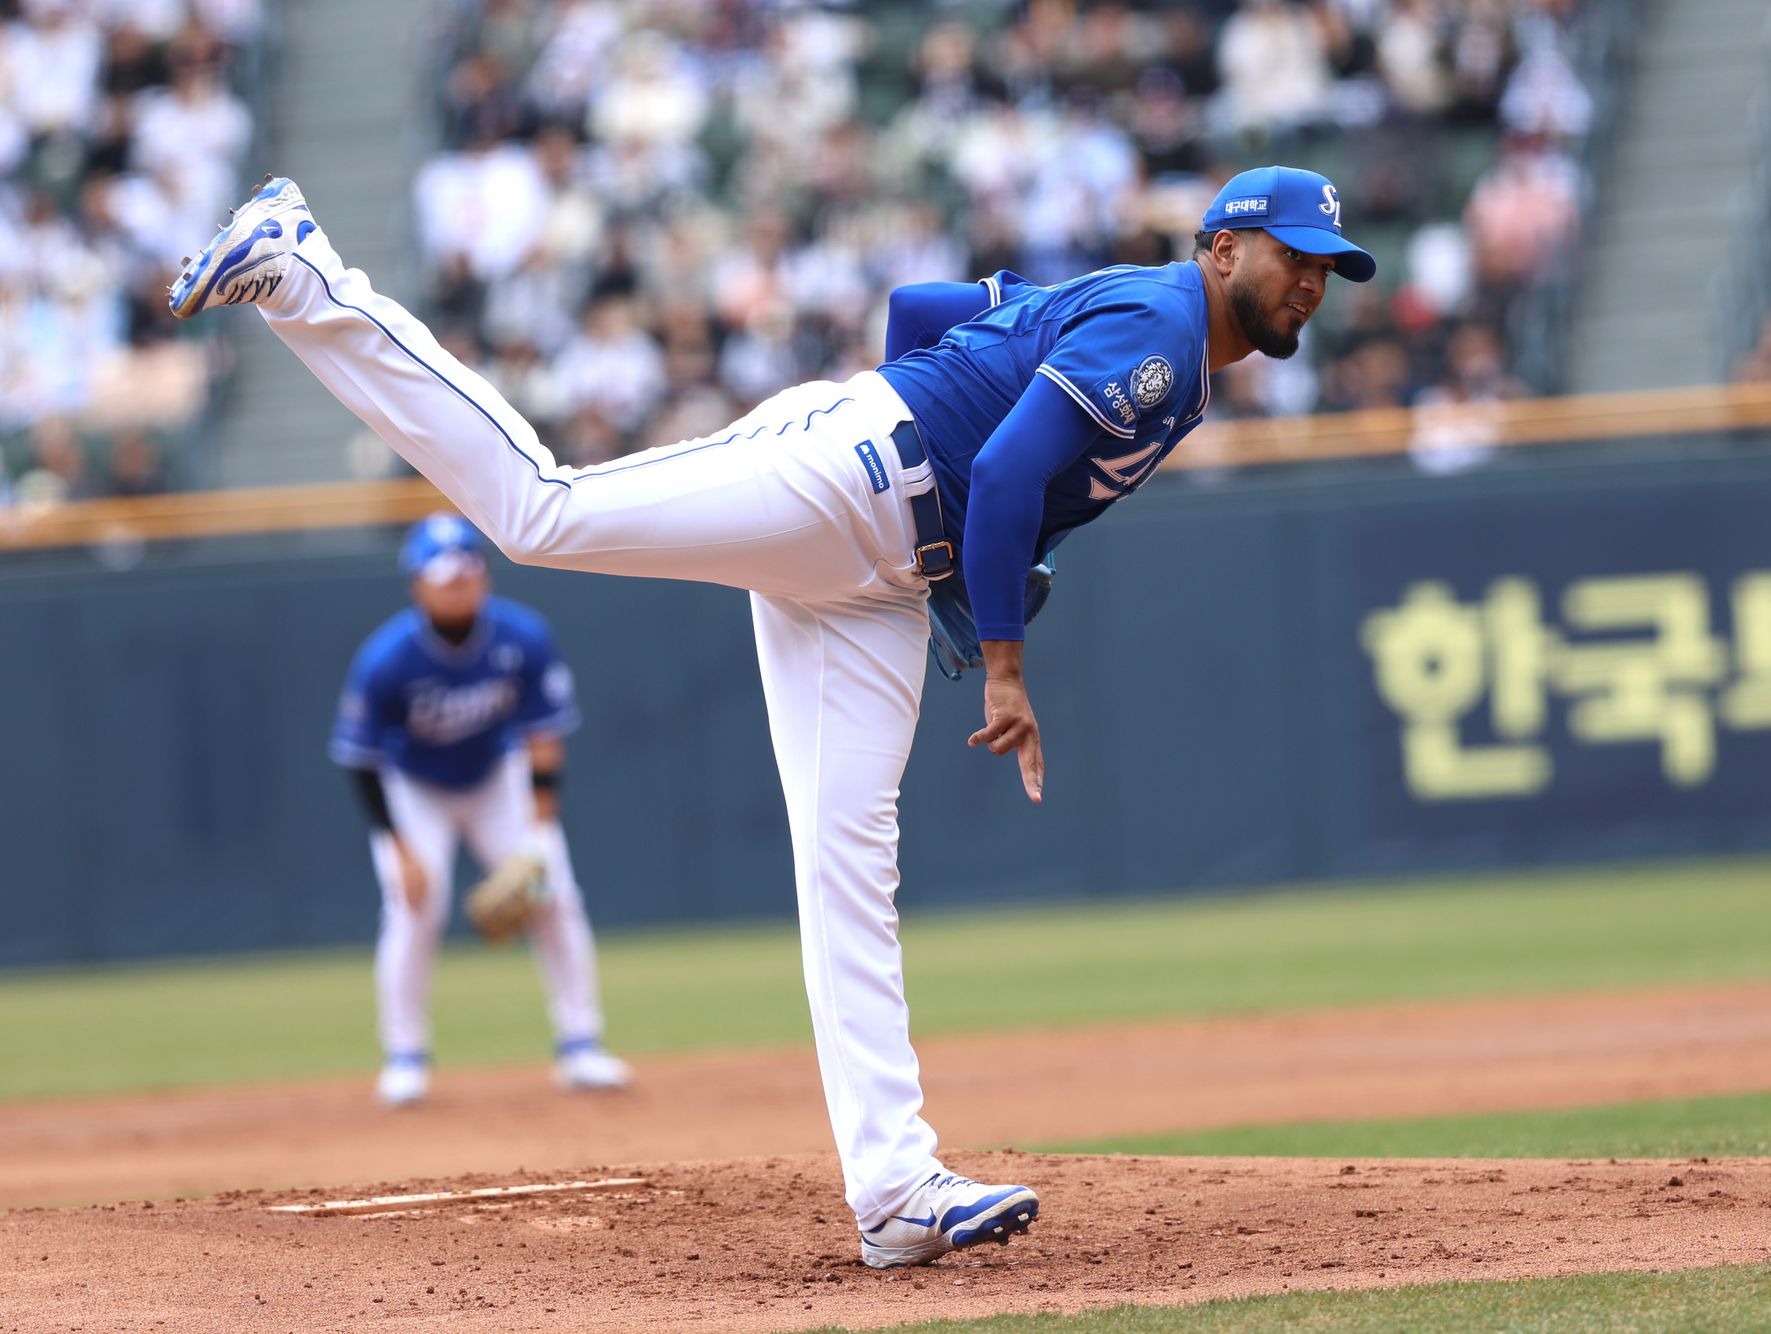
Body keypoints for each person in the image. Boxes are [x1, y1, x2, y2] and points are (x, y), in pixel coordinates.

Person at [169, 164, 1373, 1265]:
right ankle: (308, 274)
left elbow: (923, 309)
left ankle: (894, 1192)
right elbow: (1006, 470)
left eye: (1326, 267)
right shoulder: (1159, 325)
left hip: (884, 573)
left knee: (850, 854)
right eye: (1293, 256)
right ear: (1222, 247)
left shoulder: (1155, 328)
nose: (1310, 283)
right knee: (541, 510)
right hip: (850, 479)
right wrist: (999, 651)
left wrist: (938, 458)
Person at [330, 511, 631, 1107]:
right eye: (443, 576)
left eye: (467, 571)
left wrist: (540, 832)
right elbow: (362, 761)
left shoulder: (523, 636)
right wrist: (399, 849)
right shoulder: (387, 658)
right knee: (415, 908)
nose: (458, 583)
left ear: (485, 575)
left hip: (497, 779)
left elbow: (543, 738)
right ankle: (405, 1056)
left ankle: (580, 1045)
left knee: (555, 895)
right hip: (415, 789)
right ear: (417, 584)